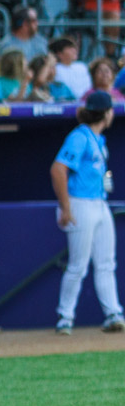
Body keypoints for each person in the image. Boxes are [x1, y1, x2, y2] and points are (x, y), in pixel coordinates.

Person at [52, 90, 124, 334]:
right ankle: (65, 316)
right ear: (105, 113)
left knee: (106, 262)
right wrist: (65, 207)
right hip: (79, 202)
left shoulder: (98, 139)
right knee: (78, 264)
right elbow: (58, 169)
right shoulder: (80, 136)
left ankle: (113, 313)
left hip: (99, 203)